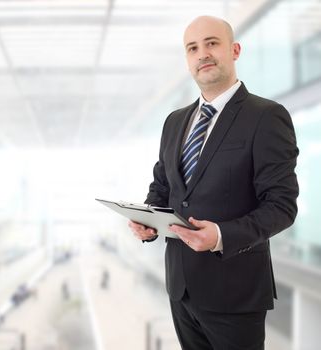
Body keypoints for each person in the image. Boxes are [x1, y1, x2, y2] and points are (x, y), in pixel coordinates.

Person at [128, 15, 299, 350]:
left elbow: (281, 206)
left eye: (211, 43)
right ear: (188, 60)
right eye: (193, 48)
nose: (202, 53)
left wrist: (220, 236)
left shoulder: (266, 116)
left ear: (234, 50)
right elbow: (163, 186)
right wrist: (149, 219)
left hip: (235, 291)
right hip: (181, 287)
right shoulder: (175, 122)